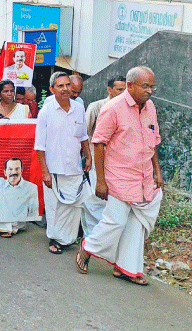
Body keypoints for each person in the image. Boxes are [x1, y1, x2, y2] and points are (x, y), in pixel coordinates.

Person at [76, 67, 163, 286]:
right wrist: (101, 181)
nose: (150, 91)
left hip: (143, 178)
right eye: (145, 86)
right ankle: (88, 247)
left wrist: (157, 172)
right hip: (118, 176)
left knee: (136, 224)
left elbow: (154, 141)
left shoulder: (150, 107)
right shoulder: (113, 108)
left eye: (152, 86)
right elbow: (99, 143)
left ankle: (126, 269)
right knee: (115, 221)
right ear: (131, 85)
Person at [34, 72, 91, 255]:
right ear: (52, 90)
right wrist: (45, 172)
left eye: (67, 85)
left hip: (74, 166)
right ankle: (55, 238)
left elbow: (82, 136)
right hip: (54, 167)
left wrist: (88, 156)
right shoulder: (46, 113)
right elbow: (40, 146)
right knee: (54, 206)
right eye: (60, 86)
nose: (65, 89)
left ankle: (69, 238)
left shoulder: (79, 108)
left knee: (76, 205)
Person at [81, 75, 127, 237]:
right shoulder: (97, 107)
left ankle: (105, 240)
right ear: (109, 90)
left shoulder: (129, 109)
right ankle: (91, 239)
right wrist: (87, 157)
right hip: (96, 163)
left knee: (112, 204)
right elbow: (84, 134)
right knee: (94, 202)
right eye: (120, 89)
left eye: (126, 89)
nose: (124, 93)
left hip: (118, 166)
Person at [0, 155, 39, 237]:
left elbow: (33, 211)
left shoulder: (31, 188)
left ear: (22, 170)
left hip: (20, 224)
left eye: (17, 169)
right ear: (5, 172)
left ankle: (12, 227)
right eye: (10, 169)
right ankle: (7, 227)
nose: (14, 172)